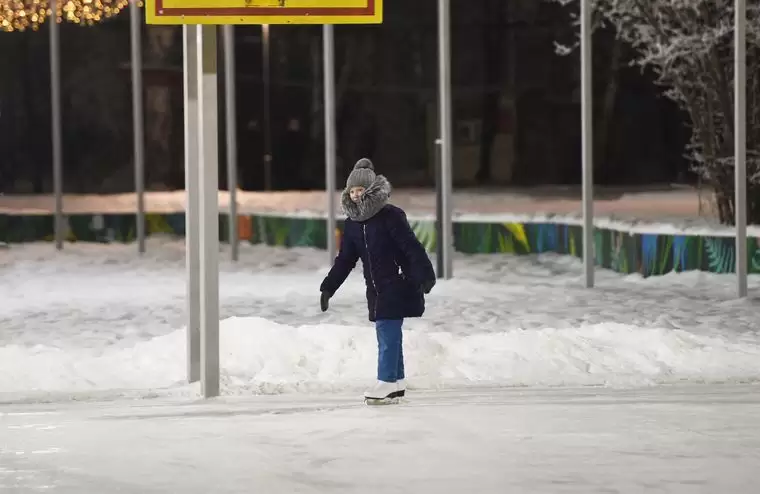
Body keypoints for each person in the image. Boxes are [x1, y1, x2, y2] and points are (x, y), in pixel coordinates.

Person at [320, 158, 436, 401]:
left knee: (387, 332)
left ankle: (385, 381)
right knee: (389, 333)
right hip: (374, 287)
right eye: (351, 190)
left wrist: (424, 274)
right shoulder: (353, 224)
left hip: (397, 283)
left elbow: (410, 246)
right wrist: (329, 287)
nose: (355, 195)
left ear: (370, 190)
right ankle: (397, 381)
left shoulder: (390, 216)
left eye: (360, 190)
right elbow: (345, 260)